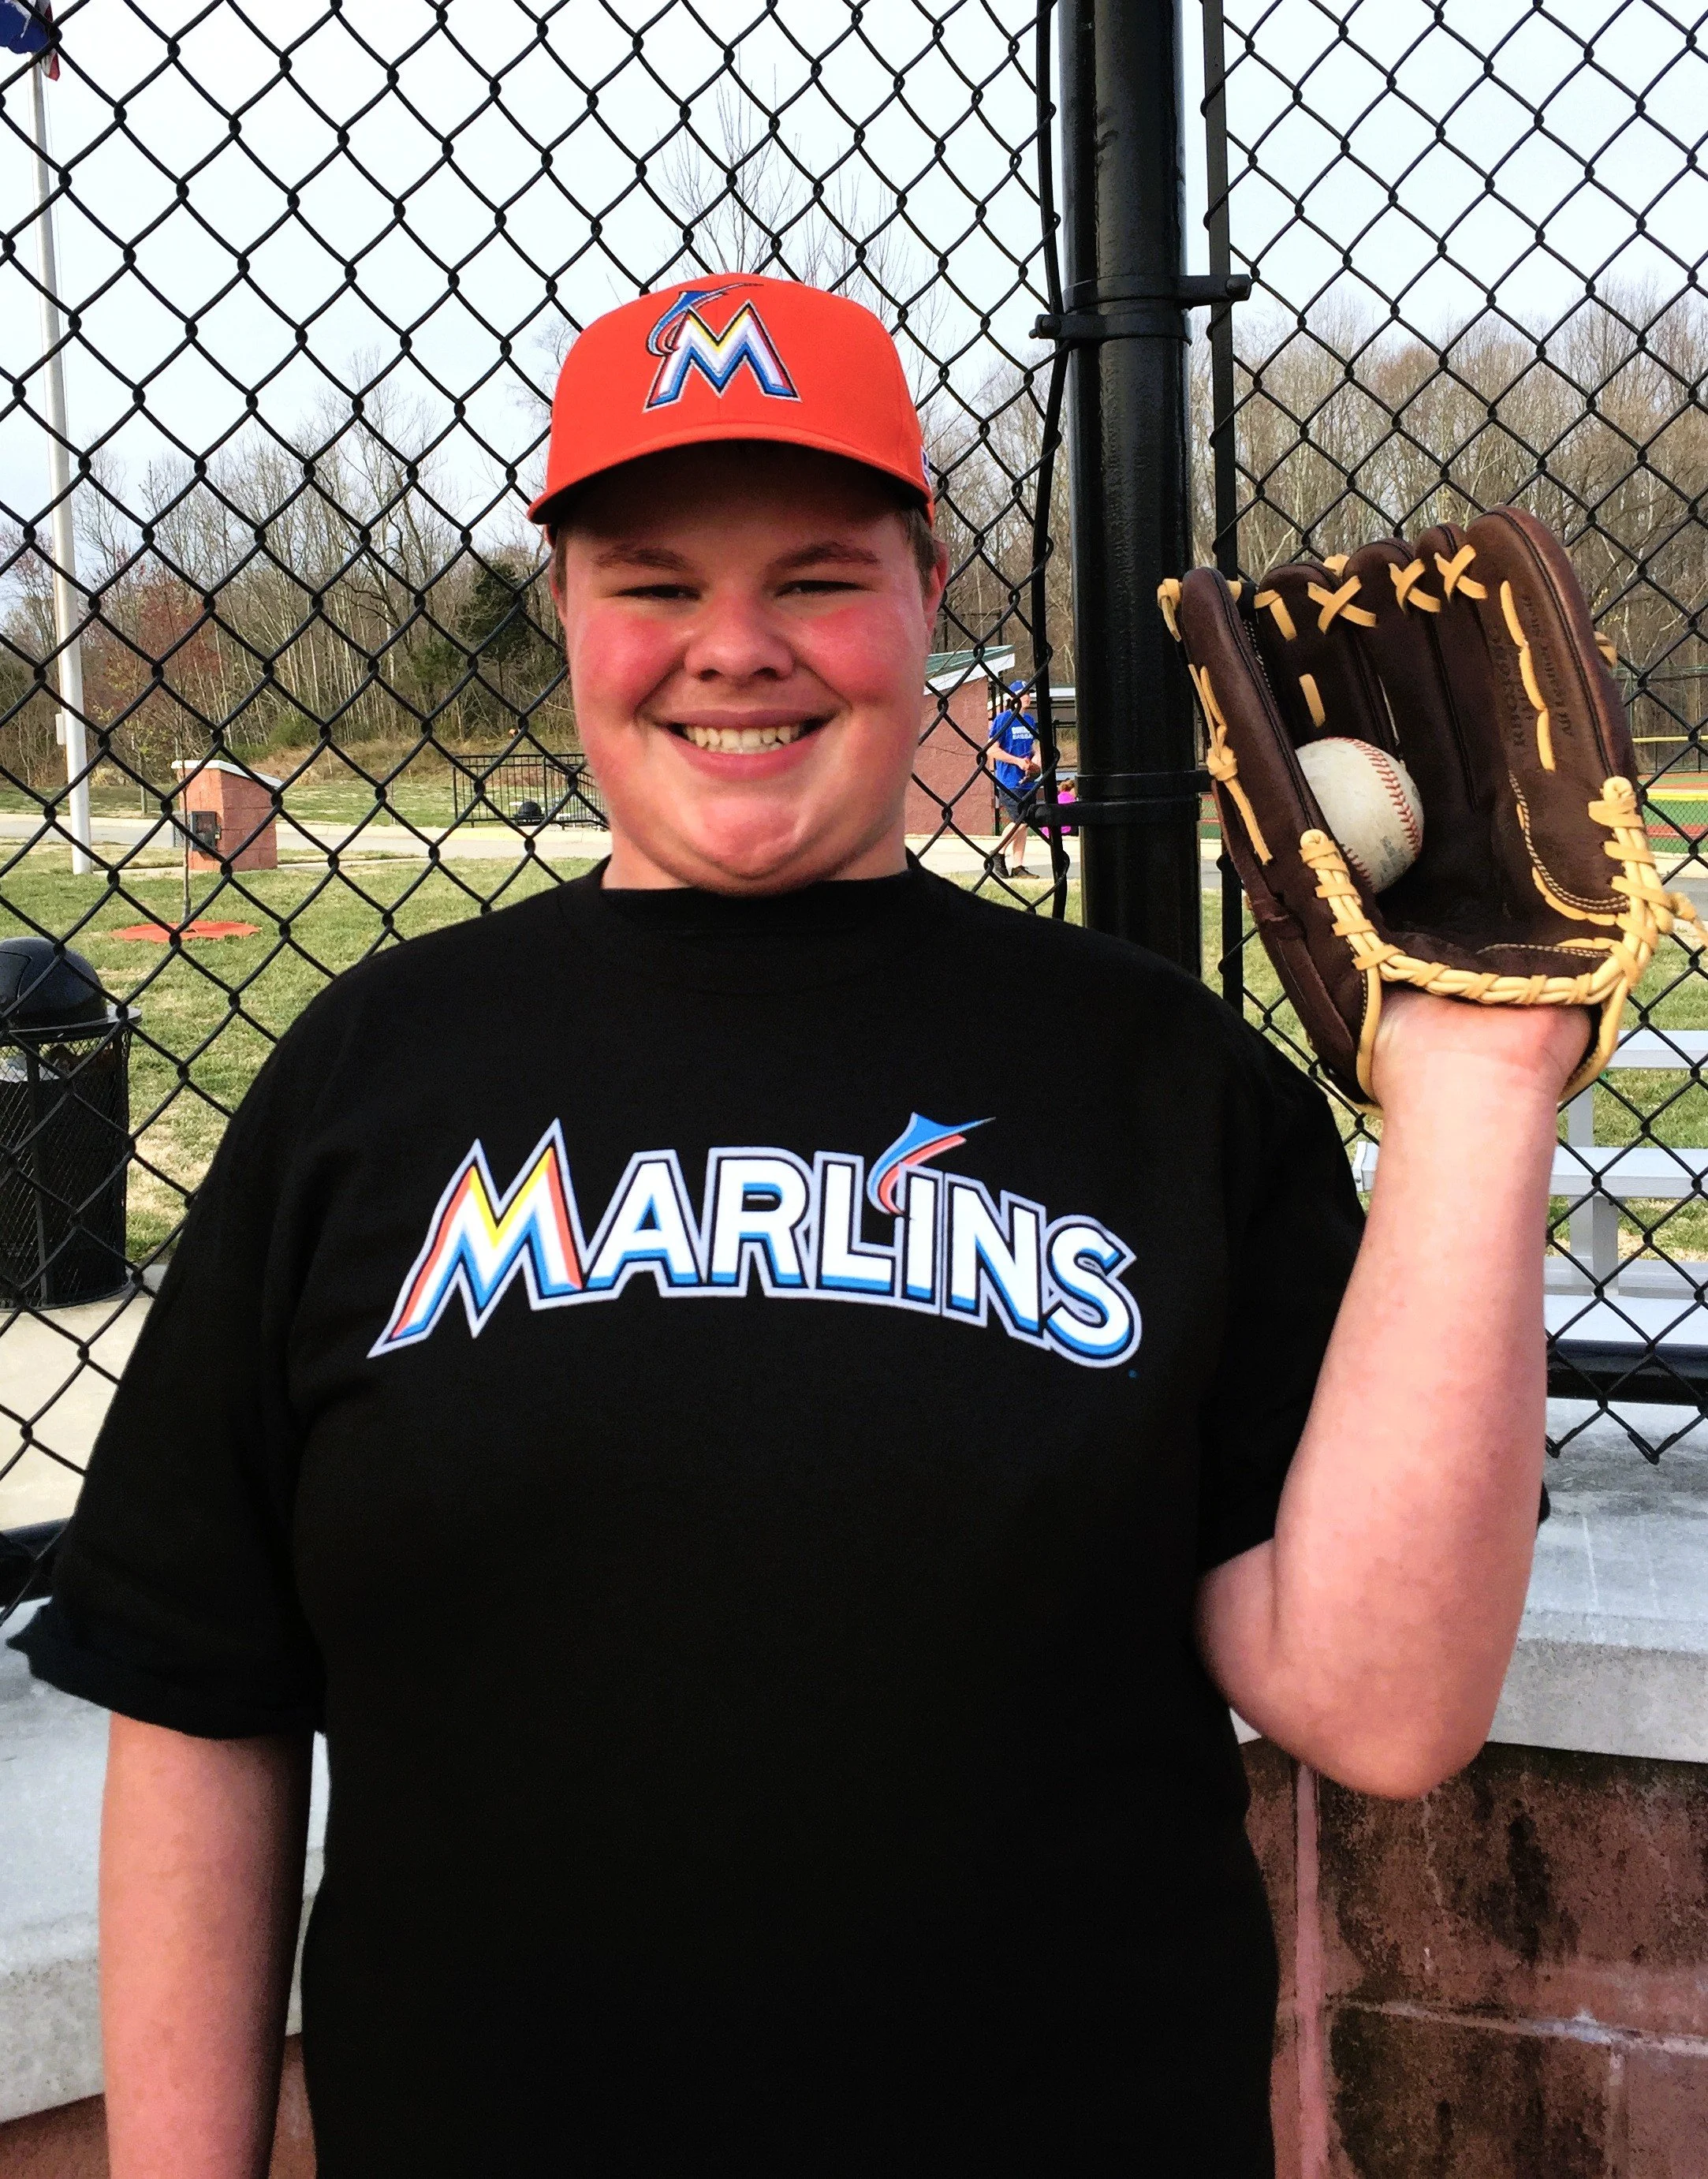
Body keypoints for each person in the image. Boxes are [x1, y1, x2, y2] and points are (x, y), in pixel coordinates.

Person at [13, 272, 1584, 2177]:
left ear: (925, 591)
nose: (733, 647)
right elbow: (201, 1693)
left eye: (818, 576)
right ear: (573, 614)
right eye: (655, 581)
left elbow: (1382, 1702)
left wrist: (1478, 1098)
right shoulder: (373, 1078)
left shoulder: (1157, 1079)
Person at [985, 677, 1042, 876]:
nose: (1028, 697)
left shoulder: (1029, 721)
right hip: (1009, 780)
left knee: (1025, 824)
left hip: (1027, 781)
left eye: (1029, 694)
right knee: (1021, 820)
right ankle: (997, 853)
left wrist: (1036, 762)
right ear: (1013, 697)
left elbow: (1034, 747)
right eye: (1024, 693)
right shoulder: (1003, 719)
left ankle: (1018, 866)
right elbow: (992, 750)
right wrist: (1017, 761)